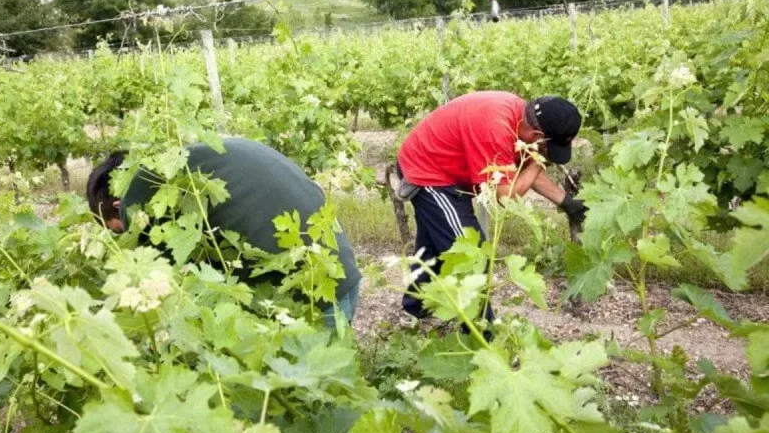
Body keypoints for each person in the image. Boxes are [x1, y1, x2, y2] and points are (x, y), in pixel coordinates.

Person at [86, 137, 362, 325]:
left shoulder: (153, 203)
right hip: (339, 271)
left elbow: (172, 291)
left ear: (120, 205)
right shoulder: (185, 164)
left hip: (311, 298)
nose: (128, 238)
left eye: (119, 230)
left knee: (308, 402)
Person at [396, 91, 585, 320]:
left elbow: (523, 172)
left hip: (449, 170)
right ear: (536, 134)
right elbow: (505, 195)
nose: (548, 154)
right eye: (547, 147)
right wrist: (539, 160)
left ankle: (413, 311)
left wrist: (566, 202)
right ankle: (483, 335)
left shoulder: (519, 120)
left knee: (438, 246)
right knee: (472, 255)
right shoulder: (495, 129)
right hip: (429, 173)